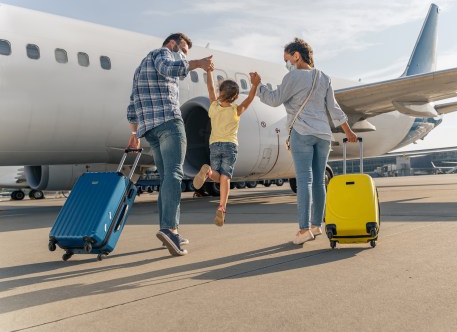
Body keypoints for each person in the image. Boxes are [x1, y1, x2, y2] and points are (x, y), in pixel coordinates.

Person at [255, 38, 358, 245]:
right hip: (323, 135)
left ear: (297, 56)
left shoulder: (292, 77)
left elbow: (274, 100)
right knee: (319, 181)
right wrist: (348, 132)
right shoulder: (324, 77)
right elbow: (334, 108)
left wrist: (258, 87)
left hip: (301, 133)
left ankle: (303, 230)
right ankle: (316, 225)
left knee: (304, 181)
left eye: (287, 59)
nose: (287, 64)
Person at [127, 33, 213, 257]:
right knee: (175, 175)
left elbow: (132, 102)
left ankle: (168, 229)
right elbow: (170, 68)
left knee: (166, 179)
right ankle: (170, 229)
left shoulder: (140, 68)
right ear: (173, 44)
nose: (184, 56)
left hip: (150, 130)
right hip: (168, 123)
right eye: (183, 50)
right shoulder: (163, 54)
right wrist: (198, 64)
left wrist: (134, 133)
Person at [192, 65, 260, 226]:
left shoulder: (214, 107)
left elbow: (209, 88)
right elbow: (249, 99)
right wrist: (255, 84)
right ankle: (222, 207)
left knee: (216, 174)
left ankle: (208, 171)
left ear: (220, 92)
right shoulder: (236, 110)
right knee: (225, 177)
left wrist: (209, 71)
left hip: (214, 145)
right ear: (235, 97)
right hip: (230, 146)